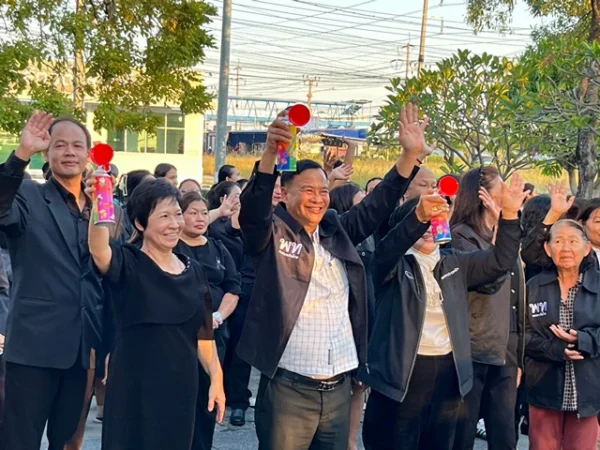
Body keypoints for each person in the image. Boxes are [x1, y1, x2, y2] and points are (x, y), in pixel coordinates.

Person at [239, 103, 431, 450]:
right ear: (285, 194)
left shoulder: (336, 229)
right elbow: (253, 212)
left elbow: (377, 204)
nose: (318, 199)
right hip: (289, 390)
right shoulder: (273, 234)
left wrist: (409, 157)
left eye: (323, 191)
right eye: (308, 190)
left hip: (339, 388)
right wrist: (269, 154)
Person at [359, 173, 526, 450]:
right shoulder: (391, 265)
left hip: (447, 379)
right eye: (423, 219)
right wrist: (418, 216)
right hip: (401, 379)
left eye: (436, 217)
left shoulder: (454, 263)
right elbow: (388, 248)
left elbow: (500, 262)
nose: (429, 225)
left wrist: (509, 215)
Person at [87, 177, 225, 450]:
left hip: (181, 386)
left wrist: (216, 379)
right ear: (140, 223)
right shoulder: (128, 262)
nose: (174, 224)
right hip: (133, 388)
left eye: (177, 214)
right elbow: (98, 249)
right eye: (164, 216)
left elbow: (204, 335)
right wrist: (98, 202)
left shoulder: (194, 270)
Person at [0, 113, 104, 450]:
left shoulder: (101, 206)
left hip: (83, 349)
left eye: (77, 145)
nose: (69, 152)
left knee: (68, 441)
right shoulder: (28, 195)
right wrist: (21, 154)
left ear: (88, 153)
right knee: (19, 441)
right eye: (60, 145)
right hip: (33, 347)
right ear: (47, 153)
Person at [450, 166, 526, 450]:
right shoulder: (461, 236)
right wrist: (500, 239)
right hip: (473, 346)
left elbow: (516, 294)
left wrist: (517, 356)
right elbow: (487, 282)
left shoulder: (504, 232)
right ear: (483, 196)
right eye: (502, 189)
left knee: (505, 434)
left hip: (505, 346)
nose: (509, 195)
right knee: (462, 432)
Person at [525, 219, 600, 450]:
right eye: (558, 241)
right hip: (543, 386)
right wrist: (556, 349)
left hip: (588, 390)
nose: (565, 248)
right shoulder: (533, 286)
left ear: (587, 248)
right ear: (548, 249)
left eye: (573, 241)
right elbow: (519, 334)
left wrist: (582, 340)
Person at [175, 192, 241, 450]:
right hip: (179, 337)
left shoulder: (218, 247)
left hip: (214, 333)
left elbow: (233, 288)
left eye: (204, 213)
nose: (200, 218)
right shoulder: (170, 247)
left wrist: (218, 316)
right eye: (192, 213)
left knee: (207, 399)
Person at [329, 182, 372, 450]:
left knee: (359, 385)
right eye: (360, 200)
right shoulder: (334, 237)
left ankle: (351, 442)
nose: (365, 205)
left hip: (366, 315)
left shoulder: (370, 236)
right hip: (340, 319)